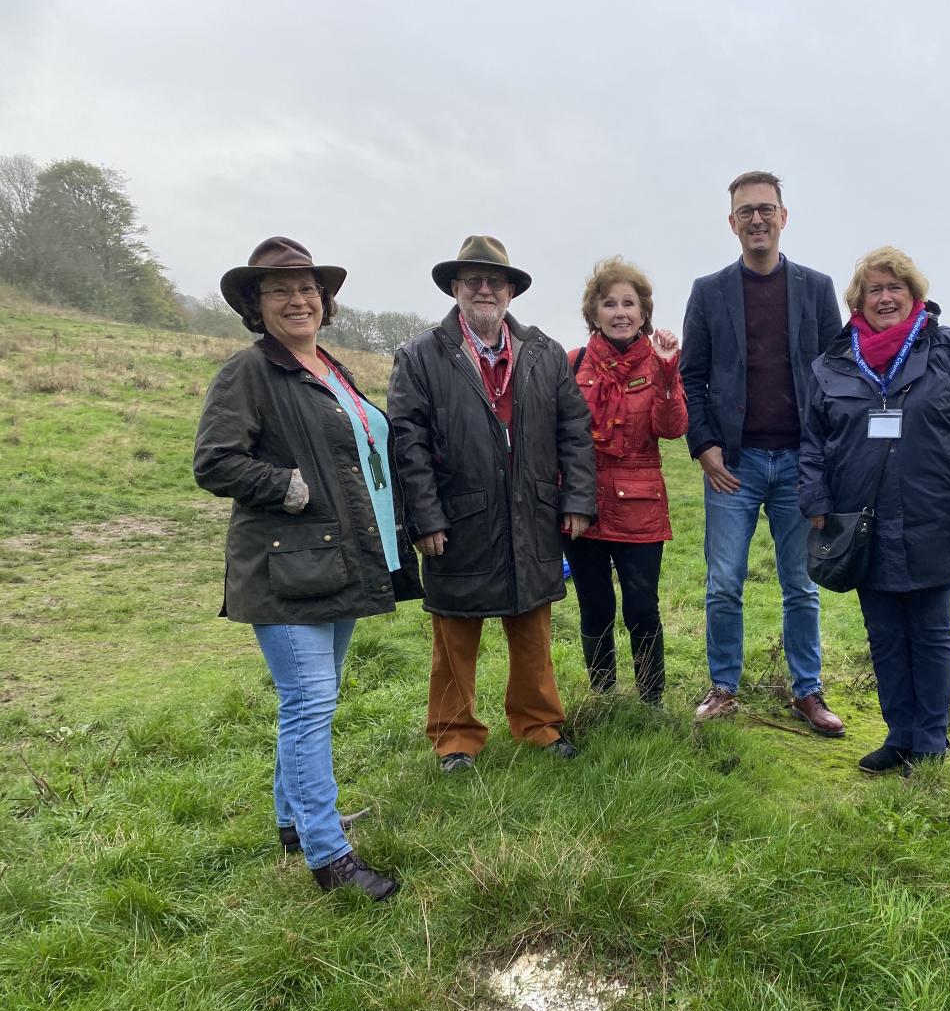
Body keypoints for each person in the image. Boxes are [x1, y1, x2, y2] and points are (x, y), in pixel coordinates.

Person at [194, 236, 421, 901]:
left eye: (307, 288)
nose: (297, 299)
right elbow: (214, 461)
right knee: (310, 704)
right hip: (282, 567)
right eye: (279, 290)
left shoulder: (331, 369)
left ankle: (295, 821)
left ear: (325, 300)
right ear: (255, 305)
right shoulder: (249, 372)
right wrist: (285, 485)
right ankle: (330, 859)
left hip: (338, 562)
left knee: (310, 702)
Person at [388, 235, 596, 772]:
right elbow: (406, 443)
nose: (484, 288)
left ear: (510, 291)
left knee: (532, 627)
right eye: (473, 279)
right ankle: (455, 737)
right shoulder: (419, 355)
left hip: (533, 511)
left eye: (495, 280)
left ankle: (539, 725)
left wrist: (575, 497)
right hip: (457, 517)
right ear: (455, 288)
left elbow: (574, 430)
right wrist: (424, 517)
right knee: (455, 633)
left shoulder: (545, 353)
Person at [680, 170, 846, 736]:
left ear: (783, 216)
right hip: (735, 466)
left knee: (801, 586)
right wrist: (704, 447)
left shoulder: (817, 289)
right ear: (732, 222)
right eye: (746, 211)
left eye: (766, 209)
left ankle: (808, 690)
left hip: (799, 465)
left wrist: (822, 457)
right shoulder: (708, 291)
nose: (757, 219)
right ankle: (723, 687)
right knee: (723, 582)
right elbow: (692, 376)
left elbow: (836, 376)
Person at [799, 248, 950, 776]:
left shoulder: (947, 349)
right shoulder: (830, 363)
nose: (886, 297)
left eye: (896, 287)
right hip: (859, 519)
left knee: (930, 628)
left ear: (914, 295)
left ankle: (932, 741)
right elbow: (812, 440)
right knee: (885, 633)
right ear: (859, 301)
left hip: (932, 511)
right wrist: (817, 500)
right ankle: (899, 736)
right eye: (875, 289)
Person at [564, 257, 687, 705]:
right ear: (593, 313)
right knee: (595, 606)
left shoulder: (659, 365)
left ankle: (651, 698)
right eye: (609, 302)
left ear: (643, 313)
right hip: (583, 503)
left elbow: (671, 429)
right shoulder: (573, 363)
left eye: (629, 303)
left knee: (641, 607)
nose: (620, 312)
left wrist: (670, 374)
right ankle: (603, 692)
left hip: (640, 504)